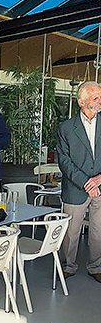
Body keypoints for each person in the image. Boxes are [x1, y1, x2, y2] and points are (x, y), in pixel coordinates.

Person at [58, 81, 101, 282]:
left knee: (98, 231)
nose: (99, 101)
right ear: (81, 102)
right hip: (76, 189)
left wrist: (98, 180)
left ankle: (96, 266)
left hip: (100, 187)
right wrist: (86, 183)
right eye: (95, 97)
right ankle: (68, 266)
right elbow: (64, 162)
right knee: (71, 232)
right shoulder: (66, 128)